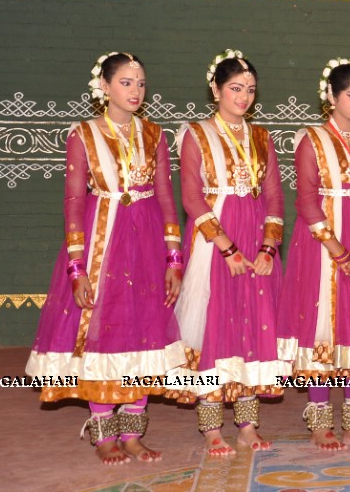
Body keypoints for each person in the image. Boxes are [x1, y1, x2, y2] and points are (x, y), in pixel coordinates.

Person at [26, 52, 185, 465]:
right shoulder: (83, 134)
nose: (135, 91)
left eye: (141, 83)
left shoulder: (155, 134)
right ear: (105, 87)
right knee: (102, 327)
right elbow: (74, 201)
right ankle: (103, 434)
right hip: (103, 241)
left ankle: (133, 431)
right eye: (126, 83)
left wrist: (174, 258)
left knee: (146, 328)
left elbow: (167, 197)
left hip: (147, 241)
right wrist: (77, 267)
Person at [169, 49, 285, 457]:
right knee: (213, 326)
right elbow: (191, 197)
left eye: (250, 90)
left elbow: (272, 196)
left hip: (255, 238)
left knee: (253, 328)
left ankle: (248, 425)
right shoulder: (196, 134)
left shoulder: (260, 136)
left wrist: (268, 248)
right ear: (215, 89)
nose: (244, 97)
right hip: (214, 241)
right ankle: (211, 427)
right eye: (235, 88)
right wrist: (228, 248)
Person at [277, 58, 350, 450]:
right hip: (321, 247)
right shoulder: (310, 139)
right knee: (322, 325)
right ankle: (320, 422)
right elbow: (307, 203)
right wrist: (342, 255)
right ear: (331, 96)